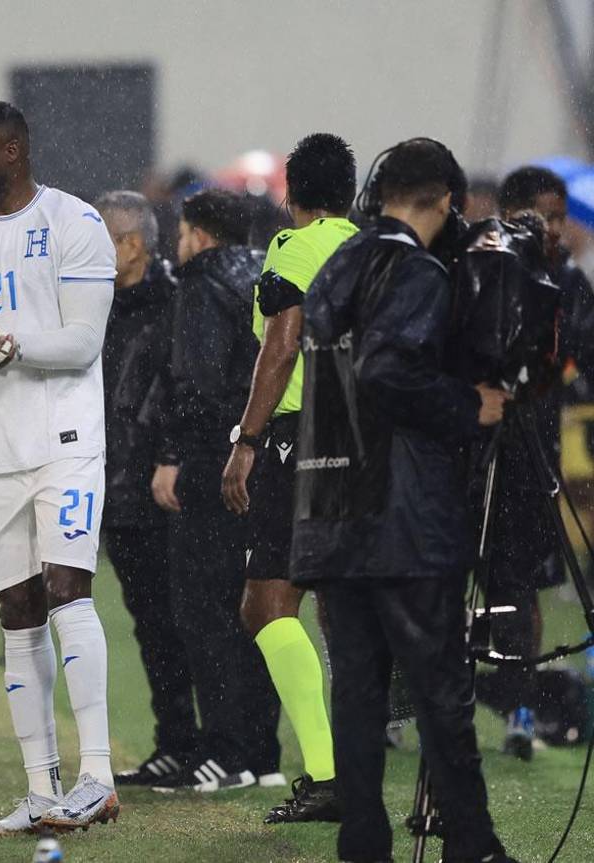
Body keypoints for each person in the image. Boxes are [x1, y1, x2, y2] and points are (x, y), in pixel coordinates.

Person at [292, 137, 516, 863]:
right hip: (404, 515)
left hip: (335, 507)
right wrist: (467, 405)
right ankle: (474, 846)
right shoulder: (413, 269)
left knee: (357, 698)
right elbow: (389, 369)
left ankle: (364, 847)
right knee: (440, 694)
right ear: (446, 202)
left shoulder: (337, 265)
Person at [0, 101, 118, 833]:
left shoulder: (75, 224)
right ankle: (41, 787)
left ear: (13, 151)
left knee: (68, 588)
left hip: (67, 437)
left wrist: (1, 343)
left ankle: (97, 775)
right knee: (16, 612)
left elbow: (81, 343)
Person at [220, 133, 358, 823]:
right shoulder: (367, 247)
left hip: (300, 439)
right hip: (367, 437)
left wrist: (246, 440)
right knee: (344, 604)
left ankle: (331, 774)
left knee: (267, 605)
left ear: (292, 192)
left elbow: (280, 345)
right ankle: (366, 750)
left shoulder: (290, 248)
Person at [150, 189, 284, 791]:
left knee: (203, 611)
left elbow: (196, 380)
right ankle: (261, 749)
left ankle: (225, 750)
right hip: (268, 455)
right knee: (255, 607)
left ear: (198, 235)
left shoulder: (200, 284)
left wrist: (175, 455)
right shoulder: (266, 272)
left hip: (217, 463)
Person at [486, 166, 594, 759]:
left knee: (519, 586)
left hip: (533, 458)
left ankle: (520, 709)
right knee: (439, 586)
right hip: (468, 455)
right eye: (543, 216)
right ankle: (410, 708)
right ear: (509, 215)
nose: (554, 228)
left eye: (558, 216)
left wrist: (559, 379)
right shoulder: (479, 267)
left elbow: (584, 355)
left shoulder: (570, 282)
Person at [89, 190, 194, 787]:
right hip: (116, 485)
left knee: (187, 621)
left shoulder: (173, 304)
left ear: (130, 245)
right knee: (151, 621)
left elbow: (181, 393)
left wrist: (168, 458)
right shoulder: (95, 304)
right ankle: (177, 741)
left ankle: (222, 744)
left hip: (164, 486)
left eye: (97, 236)